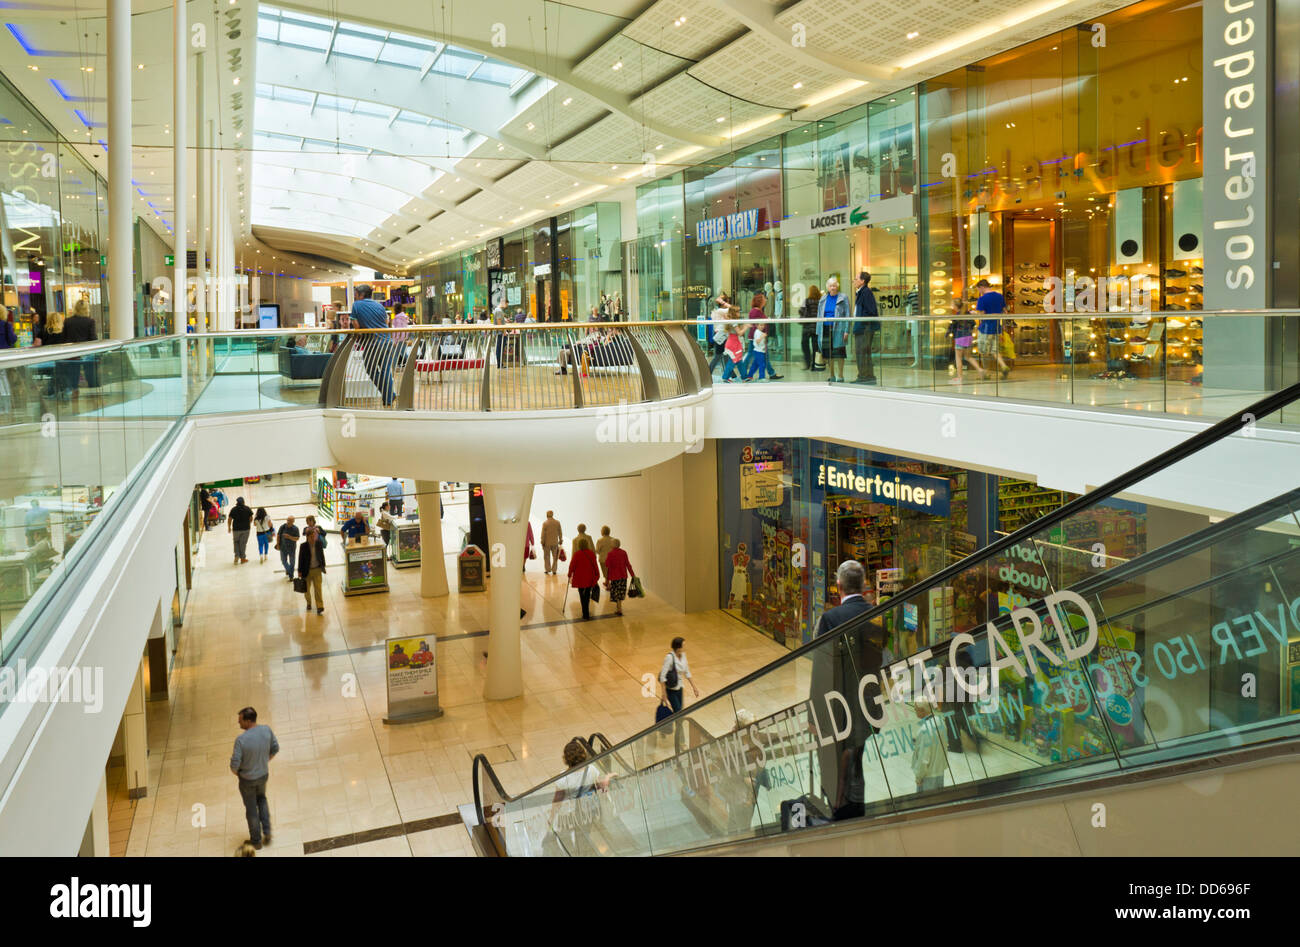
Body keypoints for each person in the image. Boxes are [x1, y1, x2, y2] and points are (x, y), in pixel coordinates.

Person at [811, 560, 887, 815]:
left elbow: (821, 672)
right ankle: (857, 805)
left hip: (838, 703)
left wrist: (815, 716)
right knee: (857, 757)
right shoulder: (876, 616)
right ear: (864, 585)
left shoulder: (830, 619)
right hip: (866, 703)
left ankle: (838, 808)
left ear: (838, 586)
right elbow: (878, 660)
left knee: (835, 759)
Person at [230, 706, 279, 851]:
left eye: (240, 721)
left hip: (247, 780)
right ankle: (267, 832)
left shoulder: (241, 740)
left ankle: (256, 840)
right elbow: (275, 748)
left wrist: (240, 773)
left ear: (248, 720)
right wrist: (264, 762)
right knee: (262, 799)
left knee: (251, 808)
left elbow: (234, 765)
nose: (239, 724)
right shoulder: (266, 730)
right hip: (263, 775)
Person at [349, 284, 397, 406]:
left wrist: (359, 336)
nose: (355, 297)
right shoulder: (379, 305)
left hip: (372, 343)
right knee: (386, 371)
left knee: (370, 369)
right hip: (387, 341)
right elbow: (385, 322)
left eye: (356, 294)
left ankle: (389, 395)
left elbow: (356, 325)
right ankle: (389, 397)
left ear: (361, 294)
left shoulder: (356, 305)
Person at [658, 636, 699, 753]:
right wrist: (664, 693)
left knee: (679, 713)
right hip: (671, 690)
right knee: (679, 716)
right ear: (678, 647)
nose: (685, 647)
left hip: (680, 688)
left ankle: (664, 728)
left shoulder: (684, 656)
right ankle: (681, 742)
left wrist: (694, 687)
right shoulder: (669, 658)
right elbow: (662, 676)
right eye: (683, 645)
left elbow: (687, 672)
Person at [974, 278, 1010, 378]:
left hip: (985, 328)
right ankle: (1003, 366)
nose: (979, 292)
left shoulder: (982, 299)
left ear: (982, 287)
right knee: (995, 350)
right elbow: (1004, 311)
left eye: (978, 289)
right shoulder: (999, 296)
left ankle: (986, 373)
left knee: (984, 351)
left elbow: (981, 314)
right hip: (997, 327)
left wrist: (974, 313)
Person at [819, 277, 851, 383]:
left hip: (839, 328)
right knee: (828, 354)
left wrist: (847, 330)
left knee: (840, 353)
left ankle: (840, 375)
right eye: (831, 286)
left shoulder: (843, 297)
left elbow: (848, 314)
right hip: (825, 328)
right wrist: (818, 331)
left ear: (837, 286)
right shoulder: (823, 299)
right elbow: (819, 315)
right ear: (827, 287)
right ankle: (831, 374)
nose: (833, 288)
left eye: (834, 285)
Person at [912, 701, 948, 793]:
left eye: (916, 709)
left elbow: (924, 758)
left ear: (922, 711)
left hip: (928, 776)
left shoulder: (924, 730)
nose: (914, 710)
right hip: (939, 770)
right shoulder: (940, 721)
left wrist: (919, 777)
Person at [852, 272, 880, 384]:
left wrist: (862, 323)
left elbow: (871, 311)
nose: (854, 281)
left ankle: (864, 376)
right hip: (862, 327)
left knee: (861, 352)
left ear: (862, 281)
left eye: (856, 279)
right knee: (864, 352)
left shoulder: (866, 293)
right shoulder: (861, 293)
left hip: (864, 328)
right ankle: (868, 375)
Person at [948, 298, 984, 383]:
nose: (952, 306)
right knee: (968, 356)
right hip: (969, 337)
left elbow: (953, 327)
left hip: (960, 338)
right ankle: (980, 370)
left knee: (958, 358)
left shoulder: (957, 315)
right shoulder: (967, 313)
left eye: (952, 305)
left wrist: (949, 332)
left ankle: (959, 378)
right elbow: (973, 324)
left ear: (956, 306)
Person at [567, 534, 600, 621]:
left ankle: (585, 612)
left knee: (582, 595)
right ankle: (586, 612)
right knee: (588, 594)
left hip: (580, 578)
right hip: (589, 577)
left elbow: (572, 566)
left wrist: (569, 574)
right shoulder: (591, 554)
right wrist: (597, 574)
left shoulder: (576, 554)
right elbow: (595, 565)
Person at [297, 525, 327, 614]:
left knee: (318, 589)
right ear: (307, 537)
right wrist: (299, 571)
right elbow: (300, 559)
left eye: (314, 536)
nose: (313, 538)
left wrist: (323, 566)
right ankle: (309, 603)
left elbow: (322, 556)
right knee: (306, 590)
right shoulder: (303, 546)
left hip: (317, 569)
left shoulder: (319, 544)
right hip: (307, 571)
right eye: (311, 536)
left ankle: (320, 606)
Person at [603, 539, 635, 616]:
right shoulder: (624, 553)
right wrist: (633, 575)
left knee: (616, 592)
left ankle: (619, 609)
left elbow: (607, 564)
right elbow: (628, 564)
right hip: (623, 576)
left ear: (612, 545)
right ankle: (619, 608)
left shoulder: (610, 554)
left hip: (614, 576)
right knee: (620, 592)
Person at [706, 294, 733, 376]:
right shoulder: (720, 311)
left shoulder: (717, 311)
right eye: (727, 301)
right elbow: (732, 309)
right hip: (721, 336)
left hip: (722, 335)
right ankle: (708, 372)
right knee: (719, 356)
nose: (728, 302)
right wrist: (723, 302)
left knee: (724, 355)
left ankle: (731, 374)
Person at [800, 285, 822, 371]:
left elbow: (801, 311)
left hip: (807, 326)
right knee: (815, 346)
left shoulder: (806, 301)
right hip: (816, 327)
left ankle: (807, 363)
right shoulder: (820, 301)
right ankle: (814, 364)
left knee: (804, 345)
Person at [227, 497, 254, 564]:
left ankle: (236, 556)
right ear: (243, 502)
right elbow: (251, 518)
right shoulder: (247, 509)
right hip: (246, 529)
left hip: (236, 529)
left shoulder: (233, 509)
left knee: (236, 542)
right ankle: (242, 558)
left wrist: (229, 527)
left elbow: (230, 519)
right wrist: (248, 523)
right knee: (243, 544)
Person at [275, 515, 300, 580]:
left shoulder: (295, 529)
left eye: (290, 520)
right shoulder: (282, 527)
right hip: (283, 548)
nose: (288, 522)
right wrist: (278, 544)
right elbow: (278, 536)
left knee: (292, 562)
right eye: (287, 520)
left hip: (292, 548)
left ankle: (291, 576)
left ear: (293, 521)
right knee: (283, 561)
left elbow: (297, 538)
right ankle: (289, 571)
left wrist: (289, 537)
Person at [540, 510, 563, 575]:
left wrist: (542, 541)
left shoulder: (545, 523)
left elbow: (543, 534)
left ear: (547, 515)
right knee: (555, 557)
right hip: (555, 542)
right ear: (552, 515)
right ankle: (554, 570)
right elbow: (560, 532)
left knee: (546, 556)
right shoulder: (557, 522)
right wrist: (560, 539)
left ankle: (547, 569)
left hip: (546, 543)